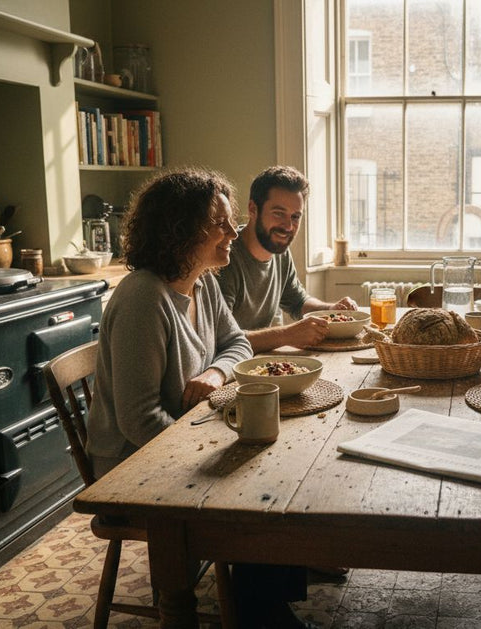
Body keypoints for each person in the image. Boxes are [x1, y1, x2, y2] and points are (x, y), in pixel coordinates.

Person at [85, 167, 311, 629]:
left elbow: (239, 344)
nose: (233, 232)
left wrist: (214, 371)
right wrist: (219, 446)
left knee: (283, 457)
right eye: (221, 224)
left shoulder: (203, 281)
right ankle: (261, 611)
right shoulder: (143, 300)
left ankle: (269, 599)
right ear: (182, 229)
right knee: (257, 484)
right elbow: (140, 422)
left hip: (183, 437)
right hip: (132, 467)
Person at [219, 165, 359, 352]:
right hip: (230, 369)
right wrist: (287, 335)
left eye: (295, 217)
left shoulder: (279, 249)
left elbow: (297, 301)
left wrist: (332, 309)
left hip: (263, 362)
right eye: (278, 213)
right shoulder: (224, 259)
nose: (288, 226)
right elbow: (222, 339)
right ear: (253, 209)